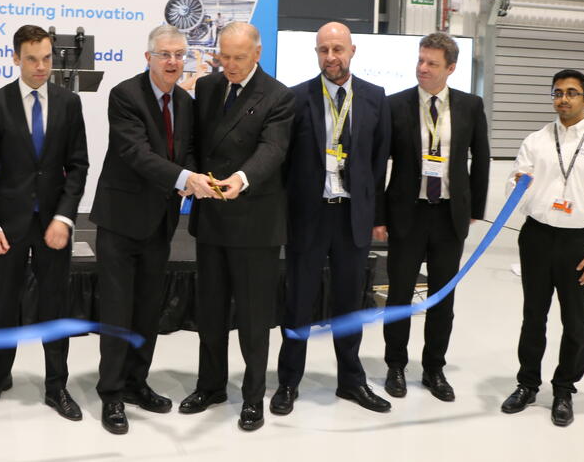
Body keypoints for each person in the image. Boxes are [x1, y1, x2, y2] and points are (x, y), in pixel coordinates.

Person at [90, 25, 221, 435]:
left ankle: (135, 383)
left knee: (147, 310)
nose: (172, 62)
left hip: (159, 224)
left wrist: (204, 177)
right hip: (120, 222)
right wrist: (186, 179)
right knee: (117, 311)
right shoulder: (125, 96)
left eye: (180, 55)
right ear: (148, 57)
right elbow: (136, 154)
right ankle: (111, 393)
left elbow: (189, 151)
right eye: (165, 54)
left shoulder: (186, 101)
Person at [271, 21, 391, 417]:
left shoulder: (375, 97)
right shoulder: (295, 97)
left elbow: (377, 164)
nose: (331, 57)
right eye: (324, 50)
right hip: (309, 217)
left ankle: (351, 381)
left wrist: (373, 214)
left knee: (348, 304)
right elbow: (284, 165)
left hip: (351, 218)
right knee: (298, 302)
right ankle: (288, 381)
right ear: (317, 53)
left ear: (352, 51)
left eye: (337, 49)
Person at [179, 22, 295, 432]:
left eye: (238, 58)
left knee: (252, 317)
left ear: (257, 54)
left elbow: (273, 150)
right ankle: (210, 386)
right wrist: (188, 175)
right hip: (211, 219)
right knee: (210, 312)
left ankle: (252, 397)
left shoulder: (279, 96)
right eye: (224, 56)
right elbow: (194, 140)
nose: (229, 65)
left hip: (254, 224)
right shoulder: (209, 87)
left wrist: (241, 180)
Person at [0, 24, 89, 422]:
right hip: (9, 225)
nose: (41, 67)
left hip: (53, 225)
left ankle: (57, 386)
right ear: (16, 58)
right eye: (33, 59)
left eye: (47, 58)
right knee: (4, 304)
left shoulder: (69, 103)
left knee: (55, 306)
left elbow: (78, 166)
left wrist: (64, 217)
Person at [500, 69, 584, 427]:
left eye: (572, 93)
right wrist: (517, 186)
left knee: (574, 321)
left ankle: (564, 389)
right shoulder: (535, 142)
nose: (564, 99)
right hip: (538, 238)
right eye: (558, 92)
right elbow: (514, 196)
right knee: (533, 316)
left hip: (579, 243)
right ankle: (527, 384)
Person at [376, 32, 490, 402]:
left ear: (451, 69)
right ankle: (395, 365)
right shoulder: (395, 106)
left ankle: (433, 369)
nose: (422, 68)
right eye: (420, 60)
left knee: (442, 298)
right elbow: (379, 166)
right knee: (399, 296)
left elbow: (482, 159)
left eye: (432, 63)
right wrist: (379, 216)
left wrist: (475, 210)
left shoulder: (471, 106)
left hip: (448, 219)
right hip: (407, 215)